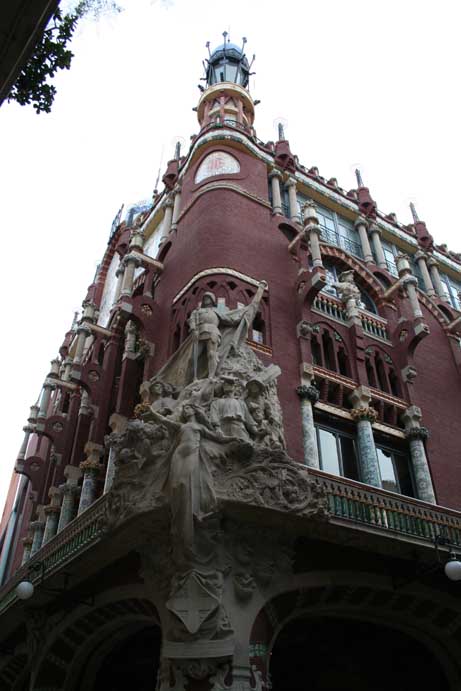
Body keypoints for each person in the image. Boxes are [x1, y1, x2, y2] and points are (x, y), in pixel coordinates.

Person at [149, 403, 238, 550]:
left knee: (185, 483)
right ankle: (178, 520)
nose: (185, 411)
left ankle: (190, 516)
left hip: (192, 454)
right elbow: (164, 420)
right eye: (184, 409)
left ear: (195, 410)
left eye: (188, 408)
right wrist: (151, 411)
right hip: (178, 455)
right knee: (176, 485)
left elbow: (218, 438)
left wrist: (233, 439)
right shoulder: (181, 426)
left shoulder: (200, 427)